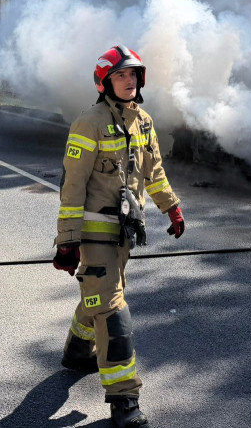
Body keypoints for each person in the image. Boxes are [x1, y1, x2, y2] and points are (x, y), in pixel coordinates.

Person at [52, 45, 185, 428]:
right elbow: (72, 186)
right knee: (112, 310)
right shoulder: (88, 123)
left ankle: (79, 349)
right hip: (94, 235)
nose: (130, 81)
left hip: (125, 234)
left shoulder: (143, 121)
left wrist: (171, 207)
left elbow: (154, 172)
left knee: (101, 295)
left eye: (134, 75)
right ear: (105, 81)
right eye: (122, 75)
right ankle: (124, 399)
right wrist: (67, 239)